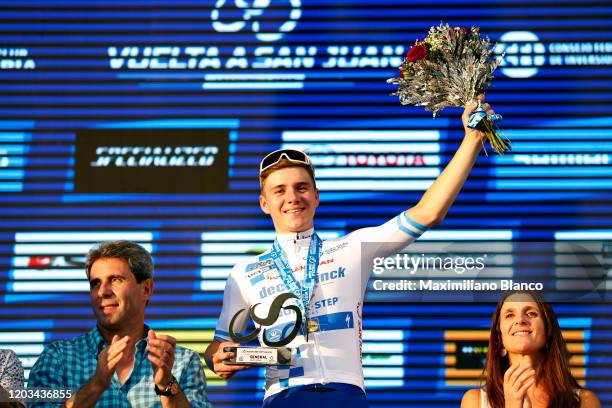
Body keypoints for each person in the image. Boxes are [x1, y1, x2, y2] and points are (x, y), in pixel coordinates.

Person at [28, 240, 211, 408]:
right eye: (95, 283)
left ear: (146, 288)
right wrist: (96, 385)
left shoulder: (183, 362)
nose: (102, 292)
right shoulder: (58, 358)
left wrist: (166, 384)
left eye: (115, 280)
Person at [461, 291, 601, 408]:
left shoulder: (584, 401)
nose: (520, 320)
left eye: (531, 313)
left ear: (548, 332)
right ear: (500, 341)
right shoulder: (475, 401)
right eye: (509, 315)